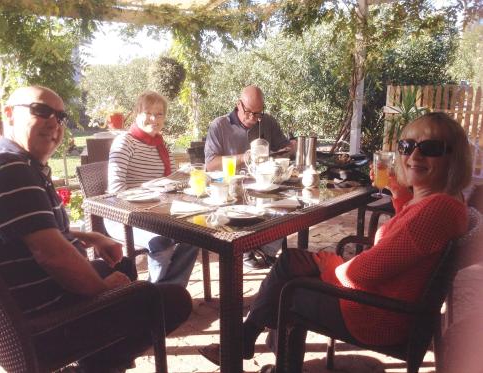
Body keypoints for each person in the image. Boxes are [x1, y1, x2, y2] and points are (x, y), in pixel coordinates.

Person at [199, 112, 473, 367]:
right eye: (407, 146)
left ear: (454, 158)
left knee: (288, 292)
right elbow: (407, 239)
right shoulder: (441, 203)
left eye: (431, 148)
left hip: (376, 316)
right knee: (290, 263)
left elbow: (362, 273)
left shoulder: (437, 210)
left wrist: (326, 264)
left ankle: (254, 347)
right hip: (384, 303)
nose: (414, 155)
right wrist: (399, 194)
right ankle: (249, 340)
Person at [0, 86, 192, 373]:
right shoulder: (10, 169)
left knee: (123, 266)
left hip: (25, 310)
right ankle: (95, 367)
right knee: (174, 300)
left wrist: (88, 236)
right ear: (9, 114)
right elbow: (51, 255)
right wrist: (102, 290)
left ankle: (101, 364)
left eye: (60, 116)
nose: (53, 123)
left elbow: (31, 232)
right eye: (41, 111)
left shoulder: (11, 163)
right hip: (44, 326)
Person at [106, 91, 199, 287]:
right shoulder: (125, 142)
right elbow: (115, 191)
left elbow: (173, 183)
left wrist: (185, 179)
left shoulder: (161, 144)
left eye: (159, 114)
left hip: (158, 214)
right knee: (161, 241)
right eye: (148, 113)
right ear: (137, 113)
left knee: (196, 236)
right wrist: (151, 193)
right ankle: (155, 294)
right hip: (124, 216)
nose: (154, 119)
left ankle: (168, 291)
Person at [204, 85, 294, 269]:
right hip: (233, 190)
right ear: (239, 104)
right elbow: (210, 164)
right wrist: (243, 157)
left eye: (258, 113)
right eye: (249, 112)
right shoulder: (219, 126)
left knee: (290, 209)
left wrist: (290, 148)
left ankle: (264, 251)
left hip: (264, 186)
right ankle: (247, 251)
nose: (253, 118)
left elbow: (284, 148)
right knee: (244, 211)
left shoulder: (268, 122)